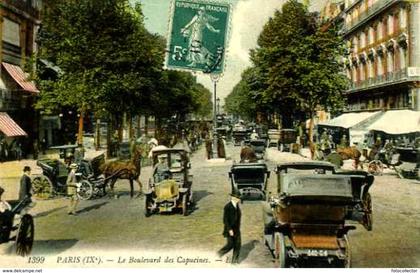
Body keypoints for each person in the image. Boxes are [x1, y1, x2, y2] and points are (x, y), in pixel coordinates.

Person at [217, 192, 242, 264]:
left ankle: (234, 262)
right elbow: (225, 220)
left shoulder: (237, 205)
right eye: (238, 198)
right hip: (230, 229)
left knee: (238, 245)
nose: (239, 199)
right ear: (233, 198)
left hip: (237, 229)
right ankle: (218, 255)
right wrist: (230, 230)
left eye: (239, 198)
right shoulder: (227, 206)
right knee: (230, 245)